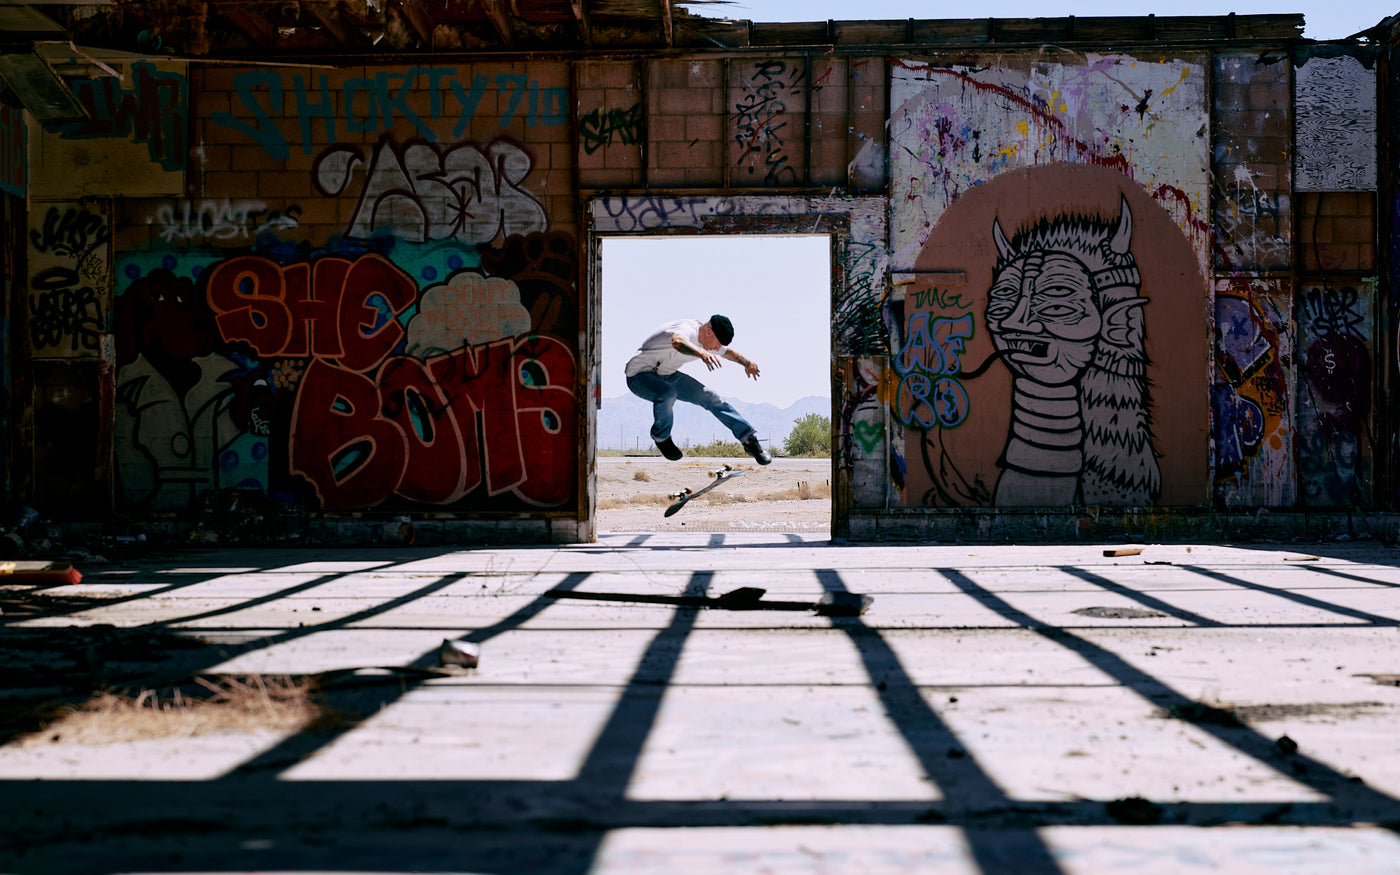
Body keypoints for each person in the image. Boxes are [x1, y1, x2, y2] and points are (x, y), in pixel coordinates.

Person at [625, 314, 772, 465]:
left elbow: (729, 353)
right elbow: (677, 342)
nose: (716, 349)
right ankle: (661, 437)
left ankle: (749, 441)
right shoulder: (686, 329)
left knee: (712, 397)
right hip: (639, 375)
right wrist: (701, 353)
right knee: (668, 394)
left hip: (667, 375)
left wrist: (747, 363)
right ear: (708, 331)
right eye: (717, 344)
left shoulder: (708, 340)